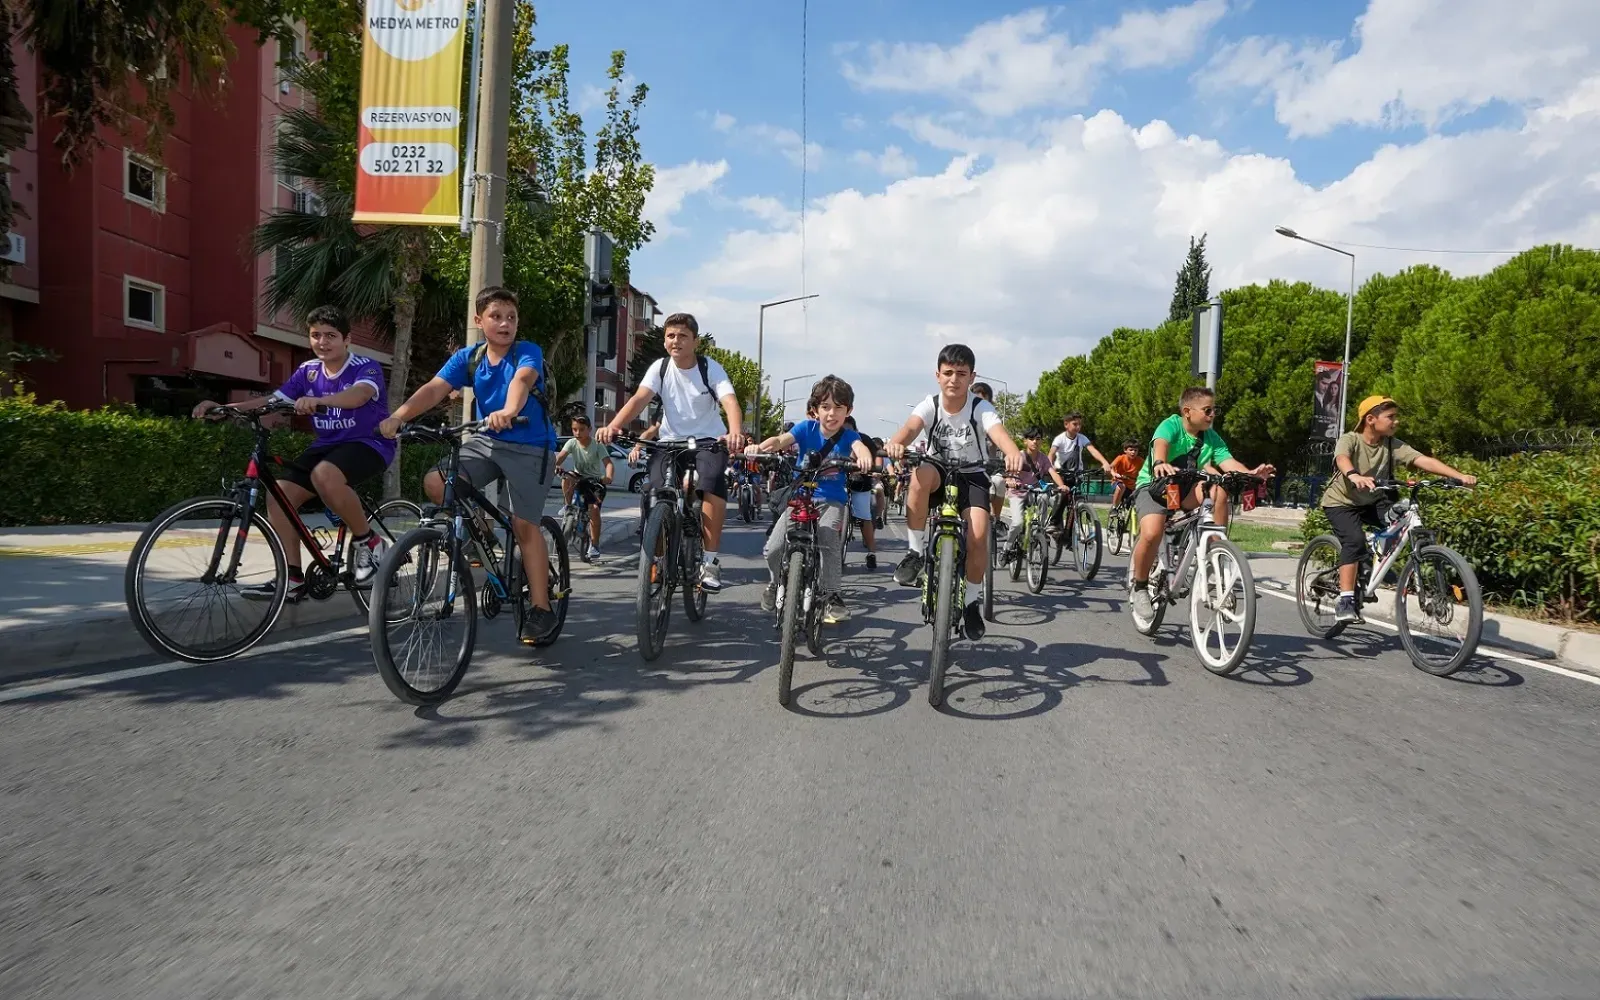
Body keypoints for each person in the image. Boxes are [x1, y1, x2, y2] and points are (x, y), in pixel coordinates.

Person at [380, 286, 562, 644]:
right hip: (486, 441)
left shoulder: (527, 352)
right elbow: (435, 387)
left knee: (524, 526)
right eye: (496, 316)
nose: (505, 323)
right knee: (438, 481)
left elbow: (521, 381)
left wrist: (509, 411)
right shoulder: (470, 357)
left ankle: (541, 608)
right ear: (479, 321)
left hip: (530, 446)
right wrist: (398, 416)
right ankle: (479, 536)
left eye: (511, 317)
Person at [192, 305, 394, 600]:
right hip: (326, 446)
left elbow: (359, 395)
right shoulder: (308, 372)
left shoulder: (366, 366)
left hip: (369, 444)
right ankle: (293, 577)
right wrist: (224, 408)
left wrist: (320, 400)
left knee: (324, 474)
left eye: (330, 336)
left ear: (347, 339)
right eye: (315, 335)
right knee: (278, 494)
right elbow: (272, 400)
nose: (322, 342)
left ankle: (368, 541)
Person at [884, 344, 1024, 641]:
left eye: (961, 374)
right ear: (937, 375)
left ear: (972, 377)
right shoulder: (930, 405)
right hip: (938, 470)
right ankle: (915, 552)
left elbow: (998, 433)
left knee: (978, 536)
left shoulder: (980, 407)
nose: (954, 379)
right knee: (919, 474)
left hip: (972, 475)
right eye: (948, 373)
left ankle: (971, 600)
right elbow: (910, 428)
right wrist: (897, 442)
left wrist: (1012, 452)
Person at [597, 313, 743, 592]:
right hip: (669, 442)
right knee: (652, 491)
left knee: (710, 483)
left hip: (707, 441)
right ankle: (659, 558)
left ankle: (710, 562)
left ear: (695, 342)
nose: (676, 341)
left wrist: (734, 431)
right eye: (670, 335)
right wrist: (614, 425)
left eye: (683, 336)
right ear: (665, 340)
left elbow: (730, 401)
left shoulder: (709, 368)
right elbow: (640, 398)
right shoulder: (660, 368)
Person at [1320, 395, 1477, 622]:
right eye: (1391, 417)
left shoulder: (1392, 444)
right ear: (1371, 419)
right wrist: (1354, 475)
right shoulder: (1351, 439)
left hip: (1372, 501)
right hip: (1341, 503)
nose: (1397, 421)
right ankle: (1345, 600)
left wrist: (1459, 476)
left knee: (1399, 520)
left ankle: (1369, 570)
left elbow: (1423, 460)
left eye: (1396, 416)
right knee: (1353, 541)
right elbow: (1342, 458)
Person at [1127, 387, 1275, 621]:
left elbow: (1227, 462)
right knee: (1152, 533)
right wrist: (1160, 462)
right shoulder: (1171, 425)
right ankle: (1140, 586)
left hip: (1184, 488)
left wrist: (1252, 473)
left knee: (1218, 491)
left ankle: (1217, 555)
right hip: (1155, 486)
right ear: (1187, 411)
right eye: (1208, 410)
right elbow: (1161, 444)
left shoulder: (1211, 437)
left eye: (1214, 409)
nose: (1213, 414)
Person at [748, 376, 874, 624]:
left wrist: (865, 458)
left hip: (832, 501)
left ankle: (832, 597)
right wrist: (760, 447)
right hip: (800, 499)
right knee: (773, 548)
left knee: (828, 536)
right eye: (825, 407)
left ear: (848, 411)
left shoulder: (849, 437)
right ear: (815, 410)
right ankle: (775, 584)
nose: (831, 413)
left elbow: (860, 448)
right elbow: (780, 441)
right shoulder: (806, 429)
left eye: (838, 407)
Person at [1000, 427, 1067, 564]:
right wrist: (1011, 481)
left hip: (1035, 492)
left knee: (1045, 498)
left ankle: (1040, 531)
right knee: (1018, 523)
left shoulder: (1043, 458)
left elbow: (1053, 472)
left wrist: (1061, 486)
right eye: (1031, 439)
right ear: (1025, 441)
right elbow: (1007, 473)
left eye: (1038, 439)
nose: (1035, 442)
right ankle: (1007, 547)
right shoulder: (1018, 456)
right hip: (1018, 493)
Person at [556, 414, 615, 562]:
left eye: (581, 429)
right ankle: (568, 506)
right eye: (574, 429)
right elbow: (560, 457)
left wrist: (608, 477)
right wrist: (555, 465)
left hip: (594, 481)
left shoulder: (597, 445)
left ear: (589, 429)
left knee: (593, 510)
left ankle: (594, 545)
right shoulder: (571, 443)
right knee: (566, 477)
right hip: (578, 477)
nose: (577, 433)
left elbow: (608, 463)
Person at [842, 417, 881, 571]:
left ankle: (871, 553)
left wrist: (873, 468)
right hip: (837, 482)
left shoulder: (864, 440)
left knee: (864, 516)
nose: (845, 432)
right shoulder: (832, 438)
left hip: (860, 481)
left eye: (848, 429)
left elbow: (876, 456)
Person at [1109, 439, 1142, 509]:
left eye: (1135, 450)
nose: (1133, 452)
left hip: (1132, 486)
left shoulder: (1140, 461)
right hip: (1118, 482)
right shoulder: (1120, 458)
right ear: (1125, 450)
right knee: (1122, 486)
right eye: (1131, 450)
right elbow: (1110, 468)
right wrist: (1114, 474)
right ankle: (1114, 508)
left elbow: (1147, 470)